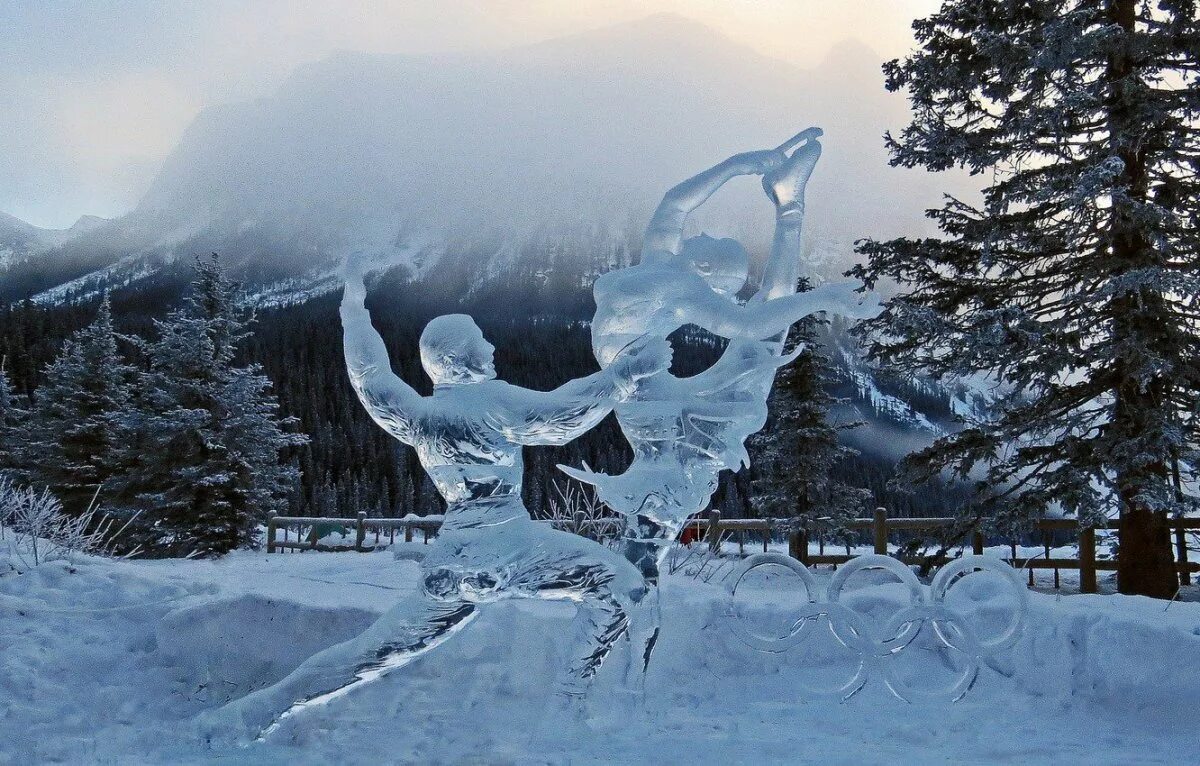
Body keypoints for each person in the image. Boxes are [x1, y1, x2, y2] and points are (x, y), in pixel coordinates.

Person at [199, 256, 669, 743]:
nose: (491, 347)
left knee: (369, 655)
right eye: (480, 341)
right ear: (460, 355)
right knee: (623, 588)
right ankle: (569, 707)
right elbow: (564, 416)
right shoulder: (492, 402)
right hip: (509, 547)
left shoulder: (419, 415)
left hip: (451, 562)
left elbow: (369, 375)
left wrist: (354, 307)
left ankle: (253, 714)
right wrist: (626, 373)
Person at [564, 129, 880, 585]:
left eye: (714, 242)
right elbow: (676, 203)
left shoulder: (679, 285)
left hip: (654, 411)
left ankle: (791, 209)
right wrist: (738, 164)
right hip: (646, 403)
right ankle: (789, 207)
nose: (707, 232)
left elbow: (751, 323)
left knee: (761, 343)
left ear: (706, 269)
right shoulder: (667, 266)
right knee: (760, 349)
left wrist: (824, 297)